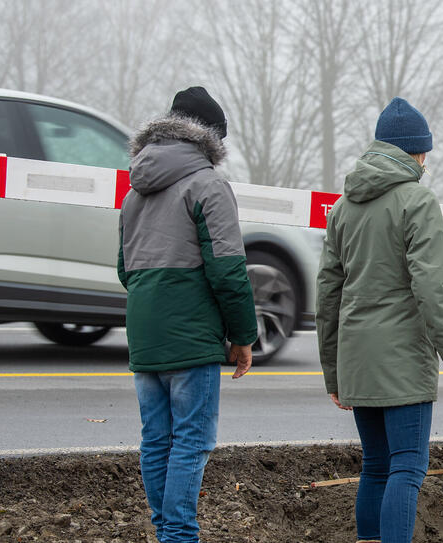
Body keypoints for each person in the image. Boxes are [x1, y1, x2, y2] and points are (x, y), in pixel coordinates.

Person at [316, 97, 443, 543]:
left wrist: (334, 372)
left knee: (376, 466)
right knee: (407, 466)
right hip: (403, 358)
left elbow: (328, 294)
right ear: (418, 154)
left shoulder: (342, 207)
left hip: (357, 358)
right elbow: (432, 289)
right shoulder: (418, 200)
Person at [118, 86, 257, 543]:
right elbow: (229, 271)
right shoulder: (209, 185)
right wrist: (242, 335)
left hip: (144, 332)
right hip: (191, 334)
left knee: (156, 439)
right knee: (192, 441)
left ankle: (166, 532)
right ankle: (178, 535)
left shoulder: (134, 190)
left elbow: (125, 268)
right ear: (211, 139)